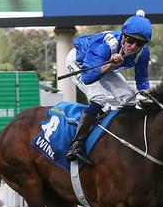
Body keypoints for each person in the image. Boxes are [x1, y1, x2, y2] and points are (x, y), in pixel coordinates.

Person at [65, 10, 152, 165]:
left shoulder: (143, 53)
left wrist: (149, 94)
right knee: (99, 98)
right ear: (123, 36)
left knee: (130, 98)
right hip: (80, 64)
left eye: (139, 44)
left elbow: (142, 80)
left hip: (107, 66)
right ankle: (76, 145)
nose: (133, 47)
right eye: (130, 40)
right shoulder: (106, 45)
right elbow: (88, 77)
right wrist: (110, 64)